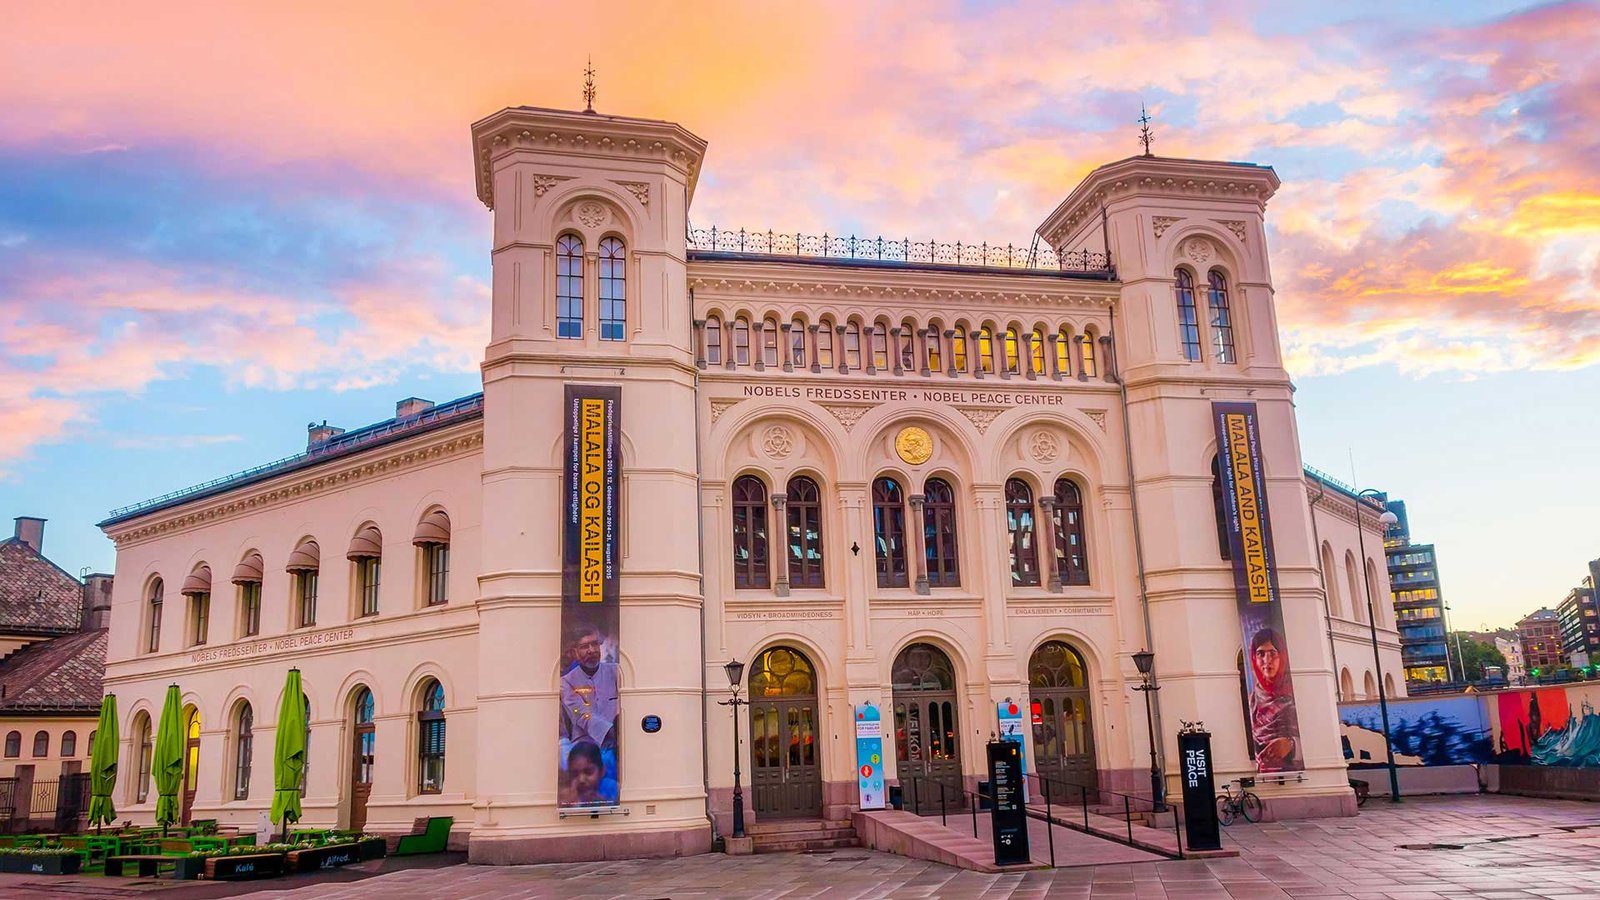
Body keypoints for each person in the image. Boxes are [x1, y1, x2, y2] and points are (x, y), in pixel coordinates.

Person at [1248, 627, 1301, 771]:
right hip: (1264, 773)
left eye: (1273, 653)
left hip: (1294, 774)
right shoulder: (1252, 701)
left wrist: (1290, 744)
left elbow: (1316, 736)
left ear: (1282, 656)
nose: (1267, 660)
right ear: (1254, 658)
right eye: (1261, 654)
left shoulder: (1297, 693)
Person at [560, 624, 619, 751]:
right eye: (584, 646)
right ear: (574, 652)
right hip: (585, 749)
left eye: (594, 644)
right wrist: (611, 732)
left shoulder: (616, 672)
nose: (591, 650)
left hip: (618, 744)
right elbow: (581, 714)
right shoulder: (566, 682)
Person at [559, 741, 616, 806]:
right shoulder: (569, 794)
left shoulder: (612, 788)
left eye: (588, 772)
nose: (581, 780)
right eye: (575, 774)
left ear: (602, 771)